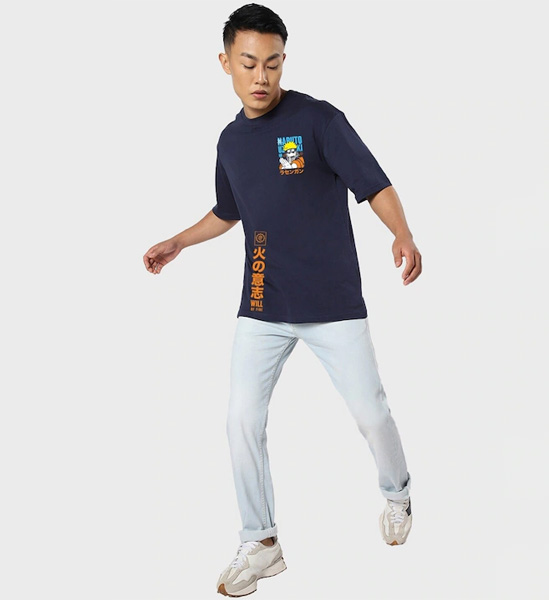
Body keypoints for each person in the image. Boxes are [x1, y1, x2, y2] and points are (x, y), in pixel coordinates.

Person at [142, 3, 422, 597]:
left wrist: (401, 232)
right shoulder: (230, 141)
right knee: (240, 420)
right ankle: (261, 541)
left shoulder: (318, 120)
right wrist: (179, 241)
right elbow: (228, 211)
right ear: (226, 63)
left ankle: (397, 493)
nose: (261, 76)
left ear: (284, 61)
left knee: (371, 413)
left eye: (272, 63)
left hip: (333, 302)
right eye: (249, 63)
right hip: (263, 303)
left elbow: (374, 183)